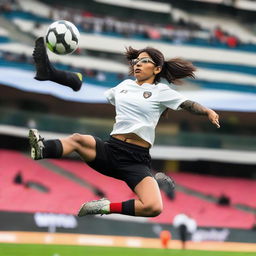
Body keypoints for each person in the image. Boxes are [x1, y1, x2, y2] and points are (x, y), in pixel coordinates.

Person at [29, 37, 220, 218]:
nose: (137, 64)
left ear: (157, 69)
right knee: (79, 139)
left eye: (144, 61)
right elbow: (88, 89)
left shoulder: (161, 91)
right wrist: (56, 75)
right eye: (136, 61)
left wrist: (207, 111)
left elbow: (188, 104)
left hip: (135, 160)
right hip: (111, 150)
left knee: (154, 207)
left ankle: (103, 207)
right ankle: (41, 149)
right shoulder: (124, 86)